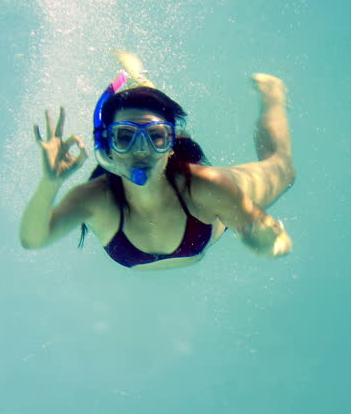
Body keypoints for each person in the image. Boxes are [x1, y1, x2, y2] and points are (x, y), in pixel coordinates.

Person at [19, 51, 296, 270]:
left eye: (156, 137)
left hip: (197, 195)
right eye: (125, 137)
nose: (142, 151)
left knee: (283, 169)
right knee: (147, 119)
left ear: (171, 144)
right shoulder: (94, 199)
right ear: (107, 147)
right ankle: (140, 81)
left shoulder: (209, 187)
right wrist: (50, 183)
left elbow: (276, 239)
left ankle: (273, 95)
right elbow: (33, 239)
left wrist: (270, 243)